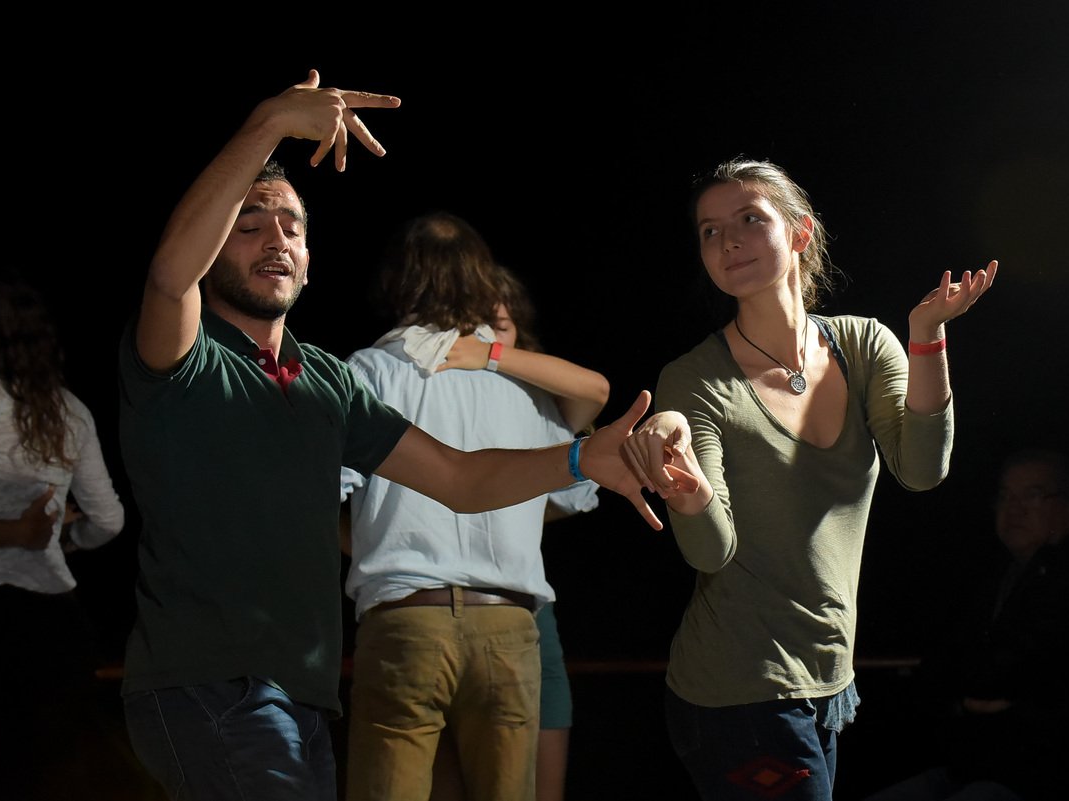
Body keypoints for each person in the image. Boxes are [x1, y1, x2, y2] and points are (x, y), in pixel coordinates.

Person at [117, 70, 686, 801]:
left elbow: (458, 478)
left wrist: (580, 457)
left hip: (304, 695)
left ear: (311, 260)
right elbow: (170, 277)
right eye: (249, 223)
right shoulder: (185, 359)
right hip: (209, 686)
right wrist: (269, 124)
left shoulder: (329, 380)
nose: (276, 238)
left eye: (292, 225)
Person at [621, 157, 998, 801]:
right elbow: (711, 550)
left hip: (828, 679)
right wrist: (689, 488)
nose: (727, 241)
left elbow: (922, 470)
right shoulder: (695, 379)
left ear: (801, 232)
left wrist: (927, 334)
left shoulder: (864, 346)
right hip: (739, 688)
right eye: (710, 231)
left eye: (749, 219)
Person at [339, 214, 608, 801]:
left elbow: (319, 498)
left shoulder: (367, 372)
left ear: (396, 279)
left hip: (406, 620)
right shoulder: (525, 387)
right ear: (483, 280)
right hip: (507, 627)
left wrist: (373, 531)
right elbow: (573, 492)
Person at [862, 448, 1069, 801]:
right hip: (972, 767)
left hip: (1042, 777)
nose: (1014, 509)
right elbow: (940, 665)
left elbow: (1011, 674)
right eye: (1005, 496)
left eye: (1032, 495)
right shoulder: (993, 575)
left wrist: (977, 690)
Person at [0, 275, 127, 799]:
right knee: (51, 775)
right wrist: (64, 541)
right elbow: (108, 519)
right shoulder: (69, 410)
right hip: (50, 618)